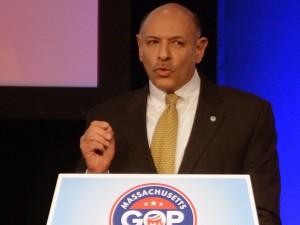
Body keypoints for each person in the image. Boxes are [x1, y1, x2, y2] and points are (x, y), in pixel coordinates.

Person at [78, 3, 281, 224]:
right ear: (139, 47)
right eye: (153, 42)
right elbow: (83, 214)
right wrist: (96, 175)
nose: (163, 55)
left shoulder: (248, 115)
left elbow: (262, 214)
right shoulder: (108, 117)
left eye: (177, 43)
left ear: (199, 49)